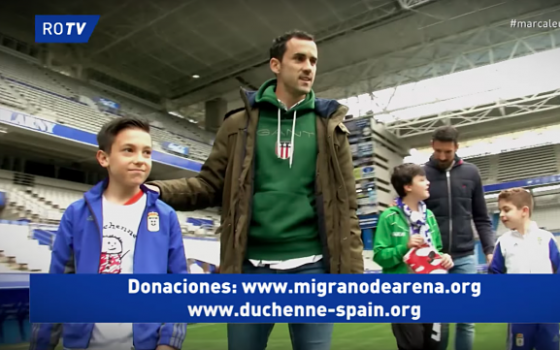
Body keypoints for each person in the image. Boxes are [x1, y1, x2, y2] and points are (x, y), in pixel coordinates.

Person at [145, 30, 363, 350]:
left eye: (313, 61)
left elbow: (347, 206)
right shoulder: (237, 124)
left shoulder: (330, 126)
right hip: (250, 270)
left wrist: (352, 277)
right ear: (275, 65)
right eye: (299, 58)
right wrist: (157, 191)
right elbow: (209, 185)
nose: (308, 67)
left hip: (313, 270)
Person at [30, 117, 188, 350]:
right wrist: (41, 343)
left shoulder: (165, 217)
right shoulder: (76, 213)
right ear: (103, 158)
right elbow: (58, 284)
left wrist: (169, 343)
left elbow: (178, 284)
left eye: (147, 153)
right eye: (128, 150)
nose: (140, 160)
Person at [422, 125, 495, 350]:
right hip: (433, 259)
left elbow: (481, 217)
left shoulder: (471, 173)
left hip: (465, 257)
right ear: (432, 145)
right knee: (439, 321)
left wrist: (490, 250)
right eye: (438, 151)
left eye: (448, 152)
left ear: (456, 148)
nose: (442, 157)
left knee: (466, 320)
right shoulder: (420, 174)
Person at [373, 163, 453, 350]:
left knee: (435, 344)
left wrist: (444, 258)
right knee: (413, 345)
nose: (428, 183)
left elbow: (436, 250)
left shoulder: (429, 216)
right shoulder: (389, 217)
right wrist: (404, 247)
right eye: (422, 179)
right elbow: (379, 255)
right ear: (408, 187)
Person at [488, 188, 560, 350]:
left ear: (524, 211)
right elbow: (495, 274)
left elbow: (559, 272)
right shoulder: (503, 242)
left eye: (506, 209)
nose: (501, 215)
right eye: (500, 210)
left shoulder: (546, 238)